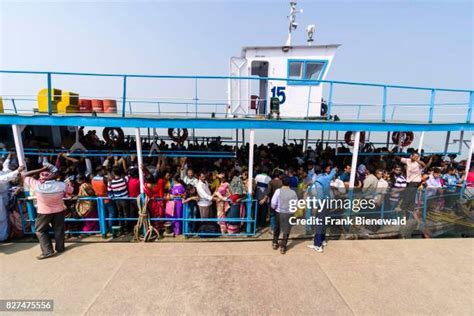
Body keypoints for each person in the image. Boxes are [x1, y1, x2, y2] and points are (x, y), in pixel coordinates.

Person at [23, 169, 73, 260]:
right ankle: (60, 248)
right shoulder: (61, 185)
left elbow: (24, 175)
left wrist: (41, 169)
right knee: (59, 229)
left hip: (44, 212)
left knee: (40, 230)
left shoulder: (37, 185)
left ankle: (47, 251)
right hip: (59, 210)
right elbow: (71, 190)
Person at [307, 164, 337, 253]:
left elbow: (319, 196)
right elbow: (332, 174)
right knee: (323, 222)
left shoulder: (318, 181)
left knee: (319, 224)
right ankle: (322, 240)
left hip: (322, 204)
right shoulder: (327, 177)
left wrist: (316, 206)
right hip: (327, 202)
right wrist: (334, 169)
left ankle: (317, 245)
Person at [270, 176, 297, 254]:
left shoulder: (278, 191)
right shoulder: (293, 192)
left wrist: (274, 208)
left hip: (279, 212)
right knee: (286, 230)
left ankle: (275, 243)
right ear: (290, 183)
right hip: (288, 213)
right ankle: (283, 246)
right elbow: (295, 204)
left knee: (277, 228)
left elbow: (273, 203)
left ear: (282, 182)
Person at [107, 167, 130, 233]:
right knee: (126, 214)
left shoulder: (110, 183)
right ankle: (127, 229)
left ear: (113, 173)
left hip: (117, 200)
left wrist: (114, 198)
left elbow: (110, 193)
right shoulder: (124, 179)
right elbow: (129, 175)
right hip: (125, 199)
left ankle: (121, 229)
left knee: (120, 214)